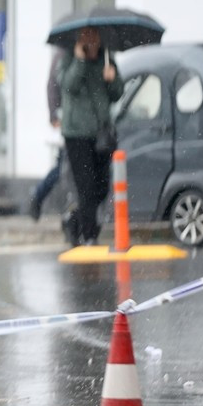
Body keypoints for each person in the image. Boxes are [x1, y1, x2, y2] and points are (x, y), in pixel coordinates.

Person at [58, 27, 123, 245]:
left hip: (101, 134)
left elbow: (117, 93)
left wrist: (112, 79)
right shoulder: (69, 59)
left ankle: (73, 221)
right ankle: (90, 236)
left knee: (102, 186)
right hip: (76, 134)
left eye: (95, 37)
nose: (92, 41)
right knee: (86, 186)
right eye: (87, 37)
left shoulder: (107, 59)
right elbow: (68, 86)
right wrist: (80, 60)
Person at [28, 48, 66, 221]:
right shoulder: (64, 55)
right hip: (69, 122)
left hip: (75, 121)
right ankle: (38, 194)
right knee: (63, 165)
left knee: (64, 165)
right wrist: (54, 115)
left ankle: (38, 195)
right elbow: (52, 86)